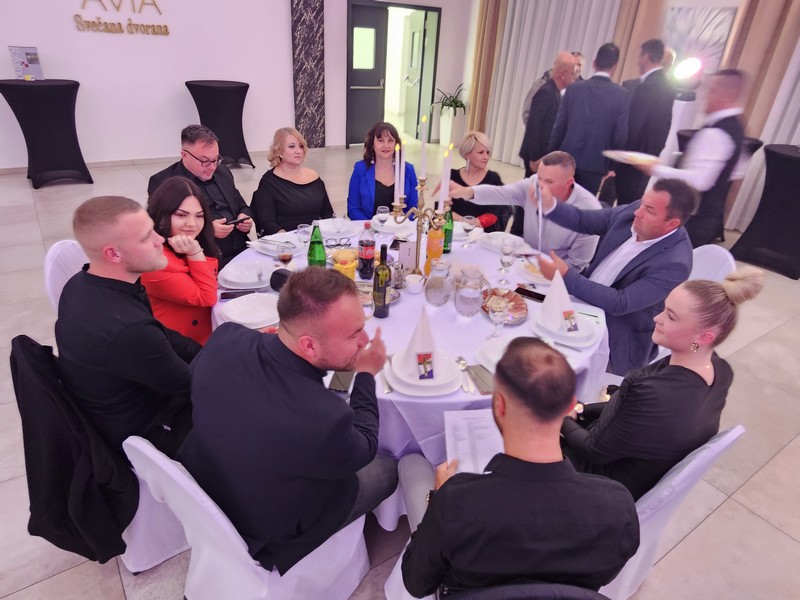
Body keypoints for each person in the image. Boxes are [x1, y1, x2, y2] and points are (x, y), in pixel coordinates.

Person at [178, 267, 398, 575]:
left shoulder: (225, 337)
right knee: (386, 467)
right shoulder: (325, 419)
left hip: (206, 482)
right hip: (269, 530)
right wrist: (364, 375)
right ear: (308, 345)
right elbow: (365, 445)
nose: (365, 341)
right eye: (353, 335)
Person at [400, 338, 639, 597]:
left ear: (499, 404)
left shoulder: (456, 501)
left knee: (410, 464)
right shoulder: (618, 507)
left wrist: (436, 498)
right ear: (571, 406)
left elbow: (416, 583)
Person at [562, 267, 764, 500]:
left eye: (671, 316)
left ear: (704, 337)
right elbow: (625, 412)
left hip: (601, 487)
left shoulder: (649, 390)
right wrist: (580, 410)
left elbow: (593, 450)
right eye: (664, 309)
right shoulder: (721, 371)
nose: (657, 318)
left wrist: (563, 418)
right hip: (638, 470)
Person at [55, 196, 200, 457]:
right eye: (146, 238)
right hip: (149, 437)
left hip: (122, 406)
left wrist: (211, 349)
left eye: (153, 230)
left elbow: (164, 336)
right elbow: (193, 385)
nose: (160, 240)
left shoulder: (80, 284)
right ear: (113, 253)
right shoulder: (128, 331)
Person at [537, 178, 695, 375]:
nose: (637, 212)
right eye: (642, 203)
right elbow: (583, 220)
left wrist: (566, 276)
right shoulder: (635, 212)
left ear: (671, 224)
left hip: (616, 335)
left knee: (556, 370)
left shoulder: (675, 263)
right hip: (581, 304)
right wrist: (550, 204)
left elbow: (621, 303)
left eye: (650, 210)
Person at [640, 69, 747, 247]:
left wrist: (656, 169)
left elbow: (700, 181)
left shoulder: (716, 133)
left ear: (727, 96)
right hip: (711, 216)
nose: (706, 96)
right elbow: (736, 172)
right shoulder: (737, 128)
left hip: (696, 218)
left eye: (712, 91)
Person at [447, 151, 601, 271]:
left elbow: (577, 263)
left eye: (549, 181)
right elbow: (502, 193)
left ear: (569, 183)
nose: (540, 186)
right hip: (524, 262)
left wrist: (540, 275)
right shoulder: (533, 184)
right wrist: (466, 192)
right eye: (539, 178)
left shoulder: (590, 211)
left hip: (557, 274)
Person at [148, 125, 252, 268]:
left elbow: (242, 205)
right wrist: (207, 229)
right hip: (203, 256)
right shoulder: (163, 182)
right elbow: (161, 229)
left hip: (242, 249)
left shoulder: (223, 172)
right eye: (205, 161)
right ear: (184, 155)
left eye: (216, 159)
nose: (212, 166)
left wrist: (244, 217)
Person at [141, 176, 219, 345]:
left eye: (199, 216)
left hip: (208, 326)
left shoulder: (187, 241)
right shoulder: (154, 261)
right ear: (161, 215)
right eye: (181, 215)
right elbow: (206, 297)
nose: (192, 224)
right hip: (184, 344)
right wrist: (195, 253)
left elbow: (212, 276)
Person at [549, 42, 630, 194]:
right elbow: (620, 135)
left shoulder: (574, 88)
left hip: (566, 158)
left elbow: (559, 126)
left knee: (559, 200)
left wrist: (552, 154)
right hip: (596, 164)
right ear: (615, 66)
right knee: (583, 204)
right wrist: (612, 166)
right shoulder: (622, 95)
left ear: (594, 63)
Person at [615, 39, 676, 205]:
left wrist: (623, 154)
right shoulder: (664, 86)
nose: (638, 61)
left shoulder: (650, 86)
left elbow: (637, 125)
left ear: (646, 57)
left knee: (626, 204)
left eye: (639, 56)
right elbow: (663, 128)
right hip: (642, 159)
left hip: (634, 160)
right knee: (628, 202)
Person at [250, 127, 334, 236]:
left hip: (315, 237)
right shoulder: (269, 182)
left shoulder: (314, 176)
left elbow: (327, 213)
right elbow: (267, 222)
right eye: (291, 146)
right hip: (284, 239)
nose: (298, 151)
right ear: (279, 150)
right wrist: (288, 238)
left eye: (301, 146)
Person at [519, 51, 578, 178]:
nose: (575, 77)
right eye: (573, 73)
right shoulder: (546, 92)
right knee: (533, 188)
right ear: (563, 74)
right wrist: (536, 158)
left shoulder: (556, 92)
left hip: (544, 155)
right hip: (536, 156)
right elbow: (533, 126)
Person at [347, 121, 419, 219]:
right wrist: (371, 225)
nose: (386, 145)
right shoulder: (360, 169)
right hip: (368, 226)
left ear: (396, 144)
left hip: (399, 227)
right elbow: (353, 209)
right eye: (380, 140)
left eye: (390, 140)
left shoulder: (408, 170)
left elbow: (413, 209)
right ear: (372, 144)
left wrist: (399, 224)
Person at [448, 131, 506, 232]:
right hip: (454, 230)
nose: (486, 157)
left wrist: (474, 223)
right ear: (467, 154)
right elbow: (444, 208)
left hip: (482, 233)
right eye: (481, 152)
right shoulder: (453, 175)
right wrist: (464, 221)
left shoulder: (493, 178)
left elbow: (495, 212)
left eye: (487, 152)